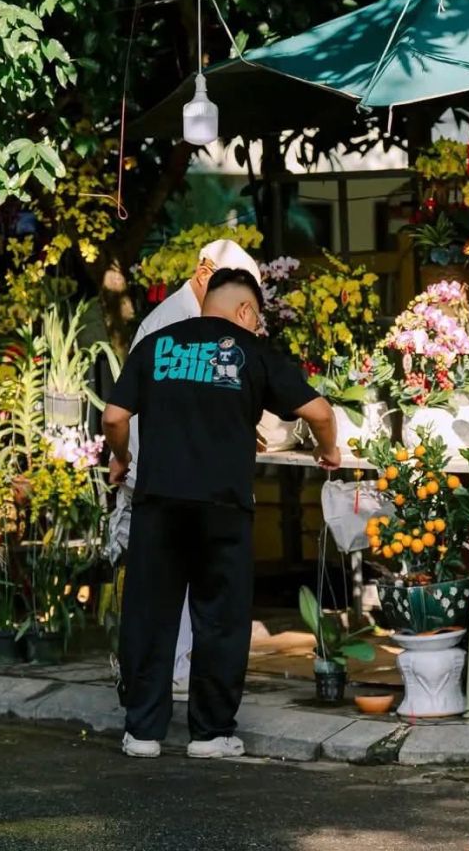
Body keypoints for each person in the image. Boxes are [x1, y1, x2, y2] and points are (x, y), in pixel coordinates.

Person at [103, 267, 340, 760]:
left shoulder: (157, 344)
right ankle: (210, 735)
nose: (257, 329)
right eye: (258, 319)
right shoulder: (250, 351)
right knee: (220, 619)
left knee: (150, 615)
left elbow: (114, 416)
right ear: (244, 311)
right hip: (223, 507)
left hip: (159, 503)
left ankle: (143, 732)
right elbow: (319, 411)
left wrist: (122, 458)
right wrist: (329, 451)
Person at [107, 239, 263, 700]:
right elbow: (133, 412)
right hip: (164, 475)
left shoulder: (198, 321)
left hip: (175, 474)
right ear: (203, 273)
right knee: (170, 596)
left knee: (177, 594)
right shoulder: (173, 323)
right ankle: (167, 687)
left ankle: (168, 690)